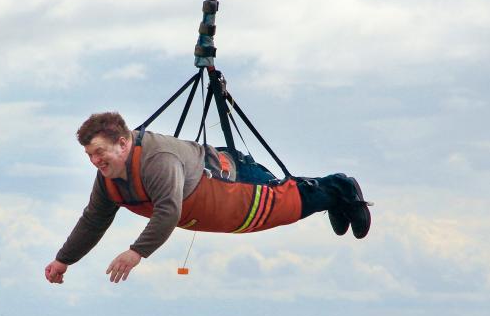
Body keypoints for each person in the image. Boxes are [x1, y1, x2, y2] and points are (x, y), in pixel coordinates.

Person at [45, 112, 371, 284]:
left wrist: (136, 252)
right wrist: (64, 260)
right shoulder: (108, 179)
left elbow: (168, 211)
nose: (95, 161)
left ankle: (340, 188)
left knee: (287, 204)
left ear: (122, 143)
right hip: (212, 206)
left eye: (99, 152)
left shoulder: (157, 161)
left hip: (233, 178)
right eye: (89, 155)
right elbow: (94, 219)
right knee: (287, 208)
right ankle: (335, 200)